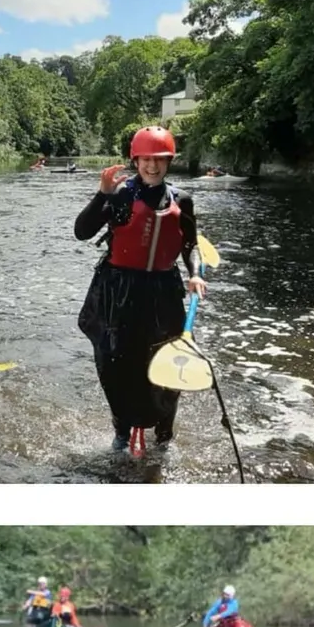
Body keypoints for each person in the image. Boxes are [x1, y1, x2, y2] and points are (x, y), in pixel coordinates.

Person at [75, 123, 204, 454]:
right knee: (116, 364)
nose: (152, 165)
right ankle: (121, 431)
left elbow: (191, 245)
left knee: (167, 367)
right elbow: (82, 231)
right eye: (146, 158)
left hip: (162, 291)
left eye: (160, 159)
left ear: (169, 161)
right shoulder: (119, 195)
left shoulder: (182, 200)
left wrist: (195, 272)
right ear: (136, 160)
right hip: (118, 290)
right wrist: (102, 194)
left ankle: (164, 437)